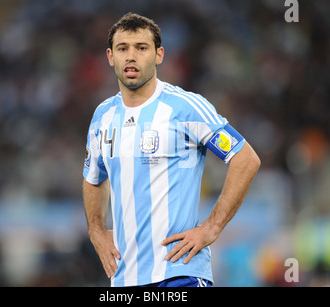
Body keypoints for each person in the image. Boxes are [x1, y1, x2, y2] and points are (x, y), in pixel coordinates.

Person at [83, 13, 261, 287]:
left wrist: (211, 228)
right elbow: (94, 176)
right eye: (123, 49)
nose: (131, 56)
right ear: (110, 56)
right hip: (124, 279)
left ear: (159, 55)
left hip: (180, 275)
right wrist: (96, 230)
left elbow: (246, 158)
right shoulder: (103, 117)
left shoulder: (186, 107)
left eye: (141, 48)